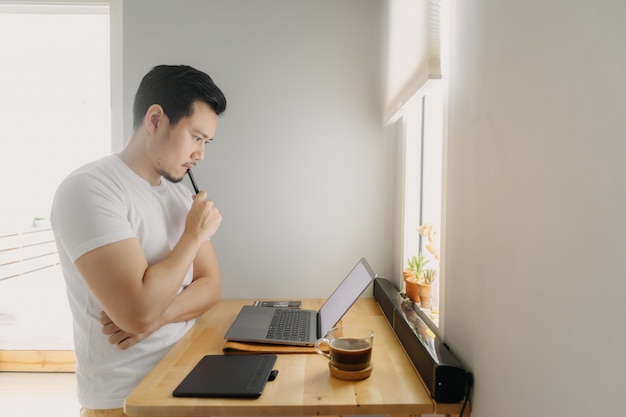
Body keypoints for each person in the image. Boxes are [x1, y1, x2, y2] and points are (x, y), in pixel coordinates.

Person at [51, 65, 227, 416]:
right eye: (196, 137)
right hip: (126, 401)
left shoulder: (176, 195)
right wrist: (193, 236)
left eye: (206, 143)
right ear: (155, 119)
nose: (200, 155)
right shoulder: (89, 189)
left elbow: (211, 286)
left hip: (185, 379)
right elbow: (137, 312)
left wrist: (157, 320)